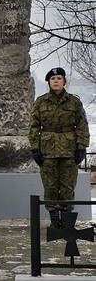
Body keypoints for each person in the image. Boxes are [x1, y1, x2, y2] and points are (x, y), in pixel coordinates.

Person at [28, 67, 90, 229]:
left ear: (64, 81)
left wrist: (81, 147)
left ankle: (68, 223)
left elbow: (82, 125)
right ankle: (55, 223)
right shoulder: (41, 102)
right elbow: (33, 127)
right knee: (50, 187)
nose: (56, 81)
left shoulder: (74, 102)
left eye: (59, 78)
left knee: (68, 186)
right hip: (48, 150)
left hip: (69, 150)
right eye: (53, 79)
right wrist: (35, 149)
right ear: (48, 82)